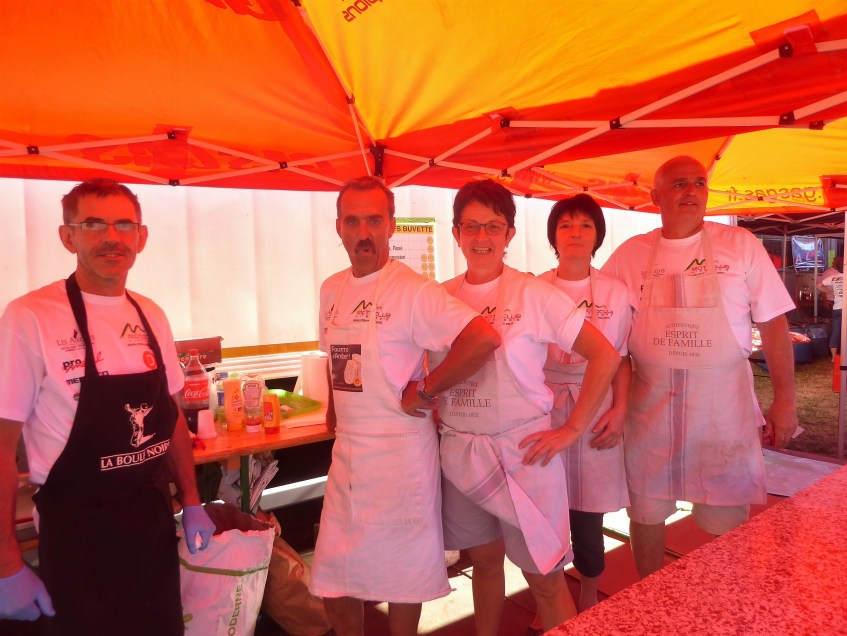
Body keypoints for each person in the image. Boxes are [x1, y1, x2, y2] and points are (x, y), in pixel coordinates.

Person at [0, 179, 215, 634]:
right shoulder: (30, 316)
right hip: (78, 534)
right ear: (68, 236)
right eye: (93, 225)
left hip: (151, 523)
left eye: (124, 225)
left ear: (141, 237)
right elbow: (2, 445)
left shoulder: (150, 313)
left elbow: (172, 419)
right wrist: (5, 563)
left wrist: (192, 500)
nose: (111, 238)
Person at [308, 176, 501, 636]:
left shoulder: (413, 290)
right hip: (349, 455)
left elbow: (482, 338)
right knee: (334, 583)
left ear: (391, 225)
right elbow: (336, 359)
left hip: (400, 457)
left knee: (403, 580)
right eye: (353, 221)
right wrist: (334, 413)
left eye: (374, 221)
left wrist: (427, 390)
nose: (363, 233)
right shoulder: (331, 289)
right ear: (338, 227)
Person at [433, 180, 620, 635]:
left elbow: (605, 355)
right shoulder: (440, 297)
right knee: (484, 561)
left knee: (545, 578)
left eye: (493, 226)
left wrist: (571, 429)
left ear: (509, 234)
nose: (482, 237)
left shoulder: (533, 293)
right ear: (456, 233)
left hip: (524, 454)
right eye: (471, 226)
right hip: (462, 452)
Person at [602, 156, 798, 579]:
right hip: (650, 411)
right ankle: (650, 597)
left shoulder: (739, 244)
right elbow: (606, 336)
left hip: (721, 413)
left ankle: (722, 599)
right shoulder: (629, 255)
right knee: (646, 511)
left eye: (699, 182)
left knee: (727, 525)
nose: (691, 190)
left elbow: (774, 324)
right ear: (655, 197)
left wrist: (785, 401)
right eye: (679, 184)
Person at [535, 194, 631, 613]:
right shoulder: (534, 289)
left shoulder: (614, 291)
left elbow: (621, 357)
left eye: (585, 225)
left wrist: (620, 409)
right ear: (553, 237)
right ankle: (552, 598)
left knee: (588, 514)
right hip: (544, 406)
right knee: (544, 508)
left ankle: (589, 596)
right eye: (566, 225)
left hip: (595, 406)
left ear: (598, 236)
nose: (575, 232)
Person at [817, 257, 843, 359]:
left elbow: (819, 286)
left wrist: (831, 292)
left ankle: (833, 357)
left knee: (835, 332)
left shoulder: (834, 277)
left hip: (837, 308)